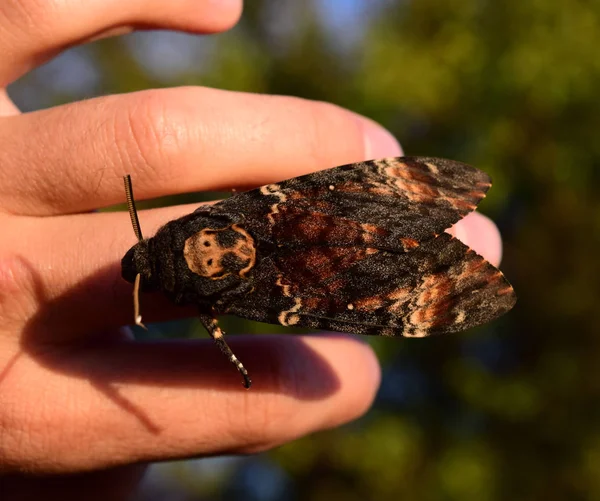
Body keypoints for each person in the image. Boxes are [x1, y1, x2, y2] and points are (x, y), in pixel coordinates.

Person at [0, 1, 503, 498]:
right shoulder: (225, 218)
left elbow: (209, 317)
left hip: (315, 290)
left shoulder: (216, 299)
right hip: (301, 211)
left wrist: (230, 352)